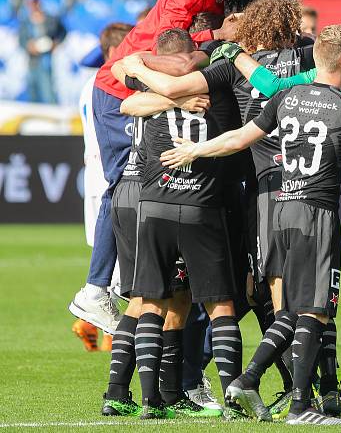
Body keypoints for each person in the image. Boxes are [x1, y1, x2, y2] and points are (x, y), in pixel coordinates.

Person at [156, 24, 341, 425]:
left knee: (290, 311)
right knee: (317, 311)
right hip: (317, 214)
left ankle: (248, 380)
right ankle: (299, 406)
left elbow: (239, 139)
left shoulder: (284, 96)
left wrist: (195, 150)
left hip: (277, 211)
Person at [68, 0, 270, 336]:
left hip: (149, 94)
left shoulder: (219, 0)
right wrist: (218, 39)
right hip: (117, 91)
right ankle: (95, 288)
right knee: (123, 184)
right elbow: (172, 56)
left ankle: (142, 290)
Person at [113, 34, 255, 419]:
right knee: (219, 305)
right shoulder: (218, 82)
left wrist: (153, 81)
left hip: (155, 207)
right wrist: (176, 98)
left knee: (151, 303)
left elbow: (127, 100)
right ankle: (232, 401)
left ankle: (148, 403)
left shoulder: (149, 84)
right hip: (200, 206)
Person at [102, 28, 217, 418]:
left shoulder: (139, 87)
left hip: (128, 191)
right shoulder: (167, 87)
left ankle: (127, 391)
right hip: (156, 191)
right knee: (159, 298)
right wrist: (182, 93)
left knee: (158, 296)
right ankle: (158, 393)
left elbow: (128, 106)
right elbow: (132, 106)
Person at [72, 23, 133, 352]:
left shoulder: (89, 84)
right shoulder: (106, 84)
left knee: (108, 259)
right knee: (118, 263)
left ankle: (93, 322)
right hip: (110, 173)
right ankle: (112, 334)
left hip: (97, 172)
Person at [18, 0, 66, 104]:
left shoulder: (50, 19)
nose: (34, 4)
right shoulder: (26, 22)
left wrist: (55, 43)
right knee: (32, 91)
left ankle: (54, 117)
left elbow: (62, 32)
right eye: (31, 2)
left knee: (48, 91)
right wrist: (28, 46)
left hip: (46, 61)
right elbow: (21, 40)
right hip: (32, 61)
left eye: (35, 1)